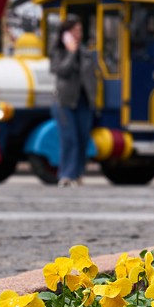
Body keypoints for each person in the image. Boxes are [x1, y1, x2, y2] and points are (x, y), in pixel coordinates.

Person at [50, 15, 96, 186]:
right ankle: (66, 174)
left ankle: (78, 174)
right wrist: (71, 53)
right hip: (64, 101)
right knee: (70, 139)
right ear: (65, 33)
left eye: (80, 31)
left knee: (83, 138)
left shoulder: (85, 52)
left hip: (84, 101)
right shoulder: (59, 51)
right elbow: (61, 71)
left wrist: (95, 98)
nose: (78, 34)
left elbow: (92, 76)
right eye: (74, 31)